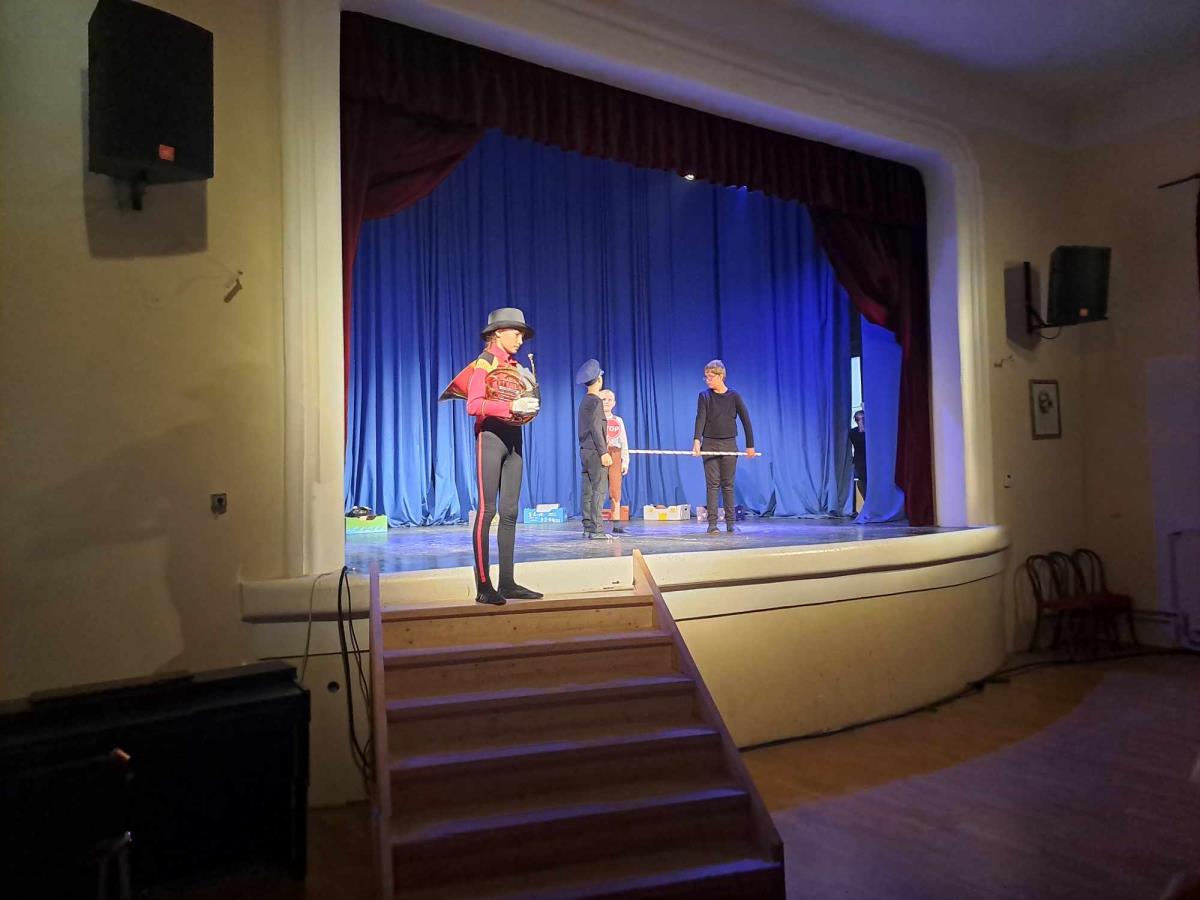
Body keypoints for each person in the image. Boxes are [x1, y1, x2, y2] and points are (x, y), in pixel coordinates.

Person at [441, 307, 543, 605]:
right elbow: (473, 405)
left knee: (510, 512)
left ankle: (507, 583)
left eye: (522, 335)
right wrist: (509, 407)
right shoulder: (484, 362)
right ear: (498, 333)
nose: (520, 340)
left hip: (514, 437)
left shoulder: (517, 368)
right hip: (490, 437)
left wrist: (528, 405)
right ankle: (484, 586)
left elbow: (524, 401)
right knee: (487, 511)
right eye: (516, 333)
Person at [691, 359, 755, 534]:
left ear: (721, 376)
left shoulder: (734, 397)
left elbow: (746, 420)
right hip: (710, 443)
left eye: (710, 377)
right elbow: (700, 418)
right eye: (706, 377)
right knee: (712, 485)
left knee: (728, 485)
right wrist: (697, 440)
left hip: (729, 444)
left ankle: (730, 523)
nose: (707, 380)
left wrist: (750, 445)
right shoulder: (704, 396)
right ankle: (712, 524)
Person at [576, 359, 614, 540]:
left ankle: (588, 527)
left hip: (585, 450)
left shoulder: (585, 400)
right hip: (595, 451)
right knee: (599, 489)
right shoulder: (596, 401)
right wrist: (604, 452)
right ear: (599, 380)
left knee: (588, 491)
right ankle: (597, 529)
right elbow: (596, 428)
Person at [600, 389, 629, 534]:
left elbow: (624, 442)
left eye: (609, 399)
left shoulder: (618, 421)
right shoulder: (595, 419)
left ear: (614, 403)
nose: (606, 402)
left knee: (615, 488)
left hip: (615, 454)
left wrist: (625, 461)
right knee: (598, 488)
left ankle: (616, 523)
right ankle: (596, 523)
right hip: (600, 455)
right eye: (603, 399)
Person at [849, 409, 867, 513]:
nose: (861, 421)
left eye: (863, 419)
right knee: (862, 482)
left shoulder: (872, 431)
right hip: (860, 461)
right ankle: (867, 502)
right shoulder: (853, 432)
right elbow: (860, 444)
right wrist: (861, 427)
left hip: (871, 462)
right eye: (859, 419)